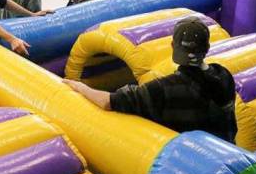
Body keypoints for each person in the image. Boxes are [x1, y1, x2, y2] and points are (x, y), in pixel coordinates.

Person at [63, 17, 237, 143]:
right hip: (223, 152)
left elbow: (108, 102)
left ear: (172, 46)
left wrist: (78, 86)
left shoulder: (164, 88)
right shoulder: (223, 75)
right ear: (207, 47)